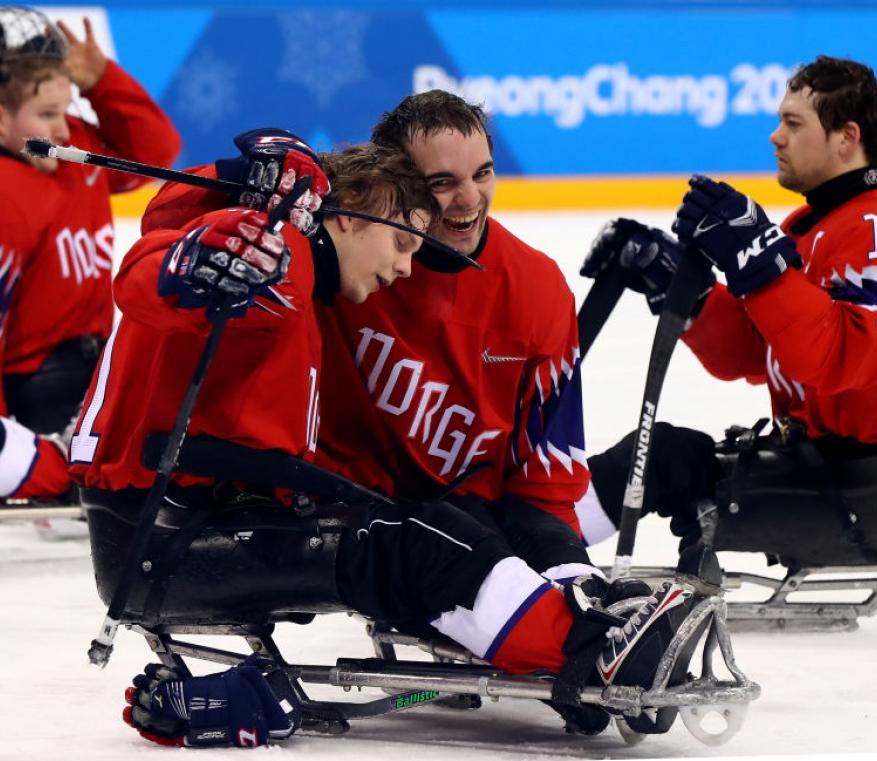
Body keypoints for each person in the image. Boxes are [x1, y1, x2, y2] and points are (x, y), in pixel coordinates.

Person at [71, 132, 701, 748]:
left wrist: (236, 182)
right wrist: (191, 262)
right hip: (161, 539)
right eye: (401, 241)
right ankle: (590, 651)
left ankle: (565, 617)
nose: (405, 267)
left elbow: (174, 213)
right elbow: (147, 276)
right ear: (346, 219)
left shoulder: (304, 272)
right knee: (410, 542)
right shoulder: (279, 263)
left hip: (184, 521)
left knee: (441, 521)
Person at [578, 55, 877, 568]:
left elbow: (843, 356)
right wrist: (675, 280)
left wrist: (762, 268)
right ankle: (535, 537)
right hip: (830, 470)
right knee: (660, 457)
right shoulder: (814, 225)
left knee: (660, 461)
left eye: (792, 123)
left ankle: (533, 548)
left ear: (846, 138)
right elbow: (751, 349)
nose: (774, 137)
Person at [312, 90, 599, 585]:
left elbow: (548, 480)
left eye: (482, 174)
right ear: (395, 181)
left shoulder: (537, 286)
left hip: (474, 520)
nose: (469, 200)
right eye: (441, 182)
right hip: (348, 514)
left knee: (578, 600)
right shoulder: (343, 257)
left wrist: (567, 568)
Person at [0, 6, 180, 454]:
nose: (64, 128)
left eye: (66, 110)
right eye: (46, 114)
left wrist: (102, 81)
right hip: (39, 389)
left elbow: (155, 154)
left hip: (100, 364)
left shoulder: (67, 149)